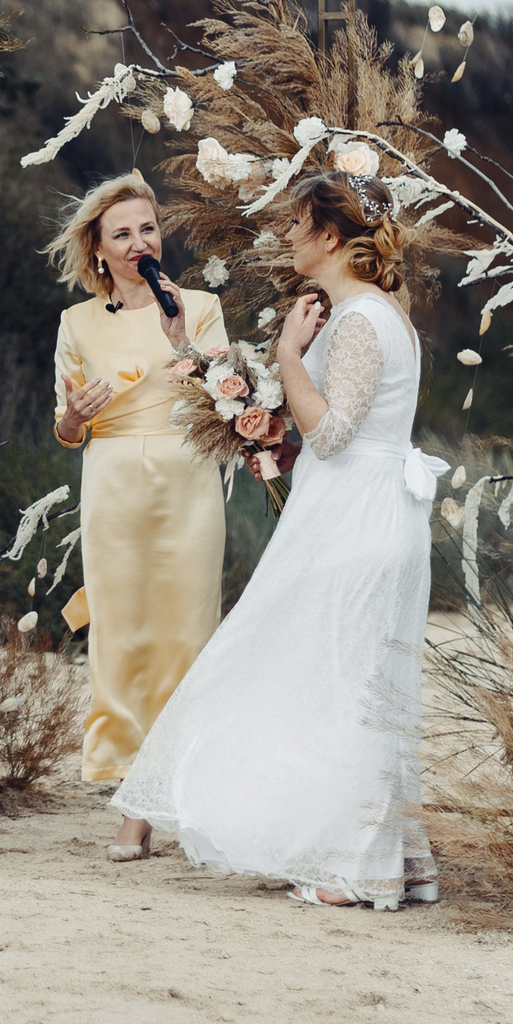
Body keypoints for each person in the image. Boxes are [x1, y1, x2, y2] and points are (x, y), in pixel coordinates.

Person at [111, 168, 444, 909]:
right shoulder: (372, 313)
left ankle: (352, 867)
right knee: (350, 680)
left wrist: (291, 354)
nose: (288, 235)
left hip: (354, 518)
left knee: (342, 680)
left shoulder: (360, 320)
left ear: (330, 236)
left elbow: (332, 433)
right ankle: (388, 856)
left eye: (297, 224)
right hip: (361, 510)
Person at [43, 172, 227, 863]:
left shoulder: (199, 307)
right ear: (98, 248)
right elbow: (66, 432)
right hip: (114, 483)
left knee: (188, 634)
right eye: (121, 234)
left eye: (147, 228)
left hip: (188, 481)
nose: (138, 242)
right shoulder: (76, 323)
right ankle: (135, 803)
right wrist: (72, 416)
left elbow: (225, 400)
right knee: (121, 636)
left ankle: (190, 795)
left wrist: (183, 340)